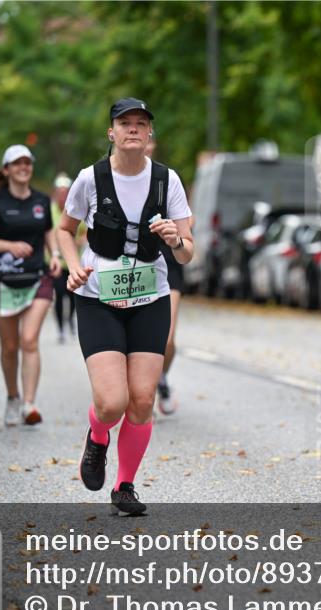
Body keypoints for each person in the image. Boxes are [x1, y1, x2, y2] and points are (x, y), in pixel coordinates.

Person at [56, 98, 194, 516]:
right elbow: (64, 230)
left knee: (141, 400)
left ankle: (124, 485)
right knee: (112, 402)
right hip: (100, 298)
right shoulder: (90, 179)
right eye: (124, 123)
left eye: (141, 123)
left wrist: (174, 240)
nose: (133, 129)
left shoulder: (167, 181)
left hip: (150, 299)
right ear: (111, 133)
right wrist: (72, 265)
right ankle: (98, 437)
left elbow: (188, 253)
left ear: (150, 134)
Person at [0, 145, 61, 427]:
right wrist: (9, 246)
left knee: (29, 340)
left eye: (28, 162)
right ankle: (13, 397)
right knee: (10, 347)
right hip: (4, 282)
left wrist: (56, 255)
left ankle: (29, 404)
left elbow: (49, 230)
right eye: (17, 163)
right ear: (7, 170)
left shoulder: (41, 200)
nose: (24, 167)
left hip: (37, 278)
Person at [144, 136, 186, 415]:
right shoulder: (113, 179)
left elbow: (187, 221)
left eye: (147, 139)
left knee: (167, 339)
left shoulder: (167, 180)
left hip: (169, 264)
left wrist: (172, 230)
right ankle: (141, 388)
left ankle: (161, 378)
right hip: (135, 267)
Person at [50, 172, 84, 343]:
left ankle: (70, 320)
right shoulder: (50, 211)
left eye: (66, 192)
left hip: (72, 262)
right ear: (56, 193)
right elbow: (47, 234)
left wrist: (78, 241)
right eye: (60, 192)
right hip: (55, 262)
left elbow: (85, 231)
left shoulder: (74, 209)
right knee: (59, 294)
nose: (63, 195)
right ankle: (61, 329)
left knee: (71, 297)